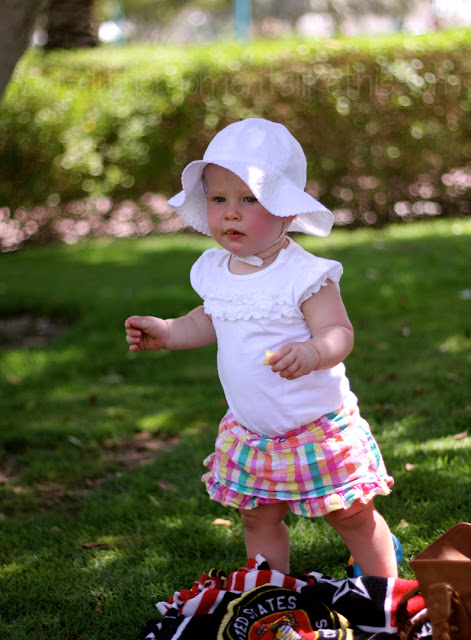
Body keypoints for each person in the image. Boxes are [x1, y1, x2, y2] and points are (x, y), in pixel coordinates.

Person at [125, 118, 397, 577]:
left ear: (286, 210)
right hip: (252, 431)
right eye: (219, 199)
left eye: (249, 199)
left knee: (350, 514)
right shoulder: (215, 269)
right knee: (257, 516)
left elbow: (339, 332)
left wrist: (313, 352)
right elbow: (210, 318)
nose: (231, 213)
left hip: (316, 429)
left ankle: (383, 592)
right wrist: (169, 331)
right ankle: (272, 594)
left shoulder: (304, 275)